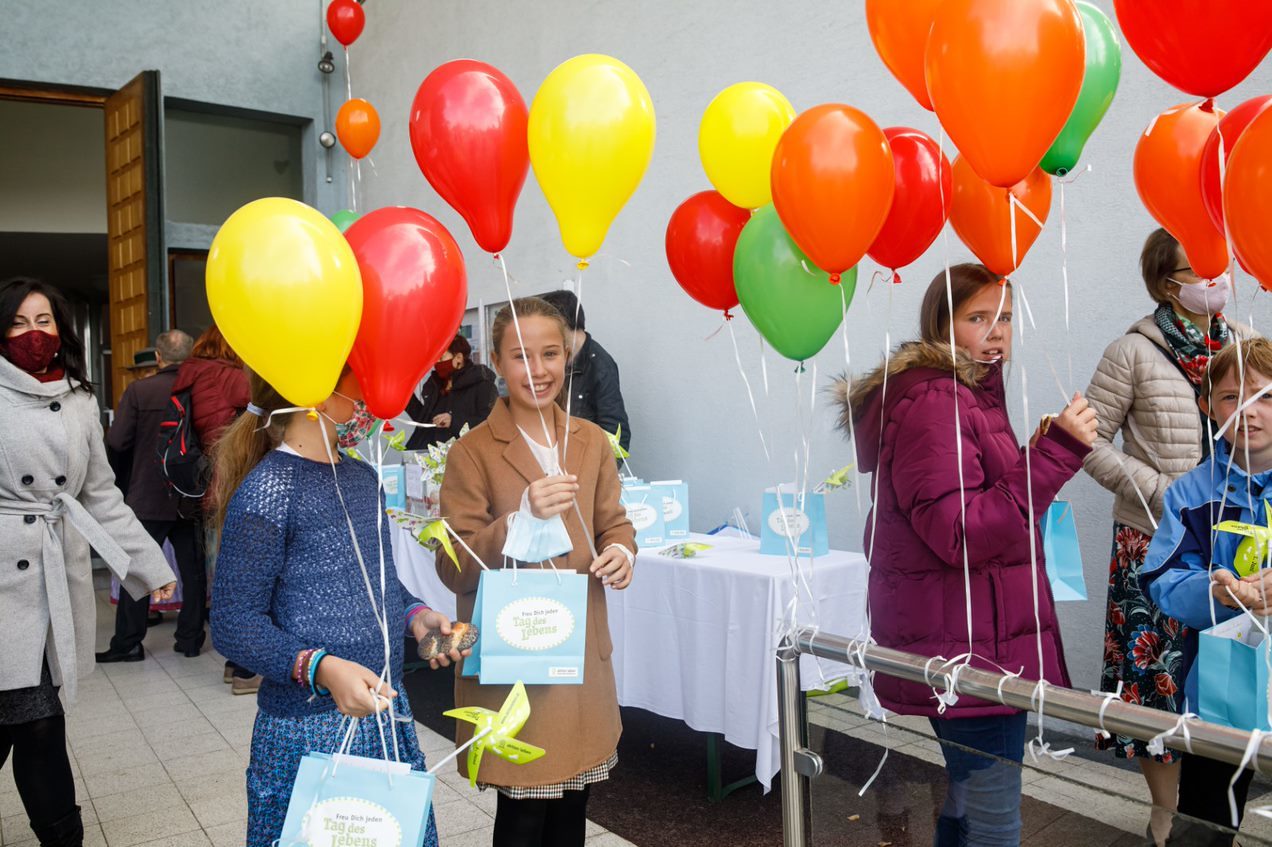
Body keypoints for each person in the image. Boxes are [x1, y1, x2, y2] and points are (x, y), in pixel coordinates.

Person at [834, 264, 1097, 846]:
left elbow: (974, 498)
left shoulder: (967, 393)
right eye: (978, 317)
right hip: (972, 649)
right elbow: (960, 532)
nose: (996, 331)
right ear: (942, 324)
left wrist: (1030, 456)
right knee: (994, 818)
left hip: (973, 636)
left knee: (968, 800)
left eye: (1005, 317)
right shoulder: (938, 399)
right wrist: (1054, 455)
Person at [209, 364, 464, 847]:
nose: (370, 396)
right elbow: (233, 623)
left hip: (384, 712)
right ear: (318, 391)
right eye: (359, 380)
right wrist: (321, 668)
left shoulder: (362, 478)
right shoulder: (268, 491)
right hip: (307, 730)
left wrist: (416, 617)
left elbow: (377, 582)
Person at [439, 296, 636, 847]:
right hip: (517, 661)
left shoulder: (591, 441)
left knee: (573, 810)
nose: (539, 369)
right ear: (497, 363)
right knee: (523, 816)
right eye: (521, 356)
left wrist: (622, 552)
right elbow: (453, 564)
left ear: (567, 356)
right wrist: (518, 521)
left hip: (581, 657)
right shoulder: (472, 453)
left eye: (550, 353)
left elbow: (614, 523)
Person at [1084, 228, 1250, 845]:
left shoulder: (1243, 344)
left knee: (1225, 673)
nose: (1215, 279)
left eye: (1218, 265)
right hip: (1155, 539)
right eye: (1197, 269)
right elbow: (1087, 441)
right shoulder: (1132, 351)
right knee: (1157, 679)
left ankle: (1214, 810)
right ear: (1166, 283)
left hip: (1233, 542)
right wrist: (1165, 491)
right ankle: (1164, 808)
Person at [0, 277, 175, 847]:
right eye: (18, 322)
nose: (32, 334)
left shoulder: (77, 398)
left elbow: (100, 495)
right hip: (3, 584)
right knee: (32, 723)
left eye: (43, 321)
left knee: (40, 723)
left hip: (53, 581)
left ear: (61, 328)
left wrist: (148, 566)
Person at [1141, 338, 1272, 845]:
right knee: (1206, 818)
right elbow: (1163, 578)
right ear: (1207, 406)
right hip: (1220, 688)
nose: (1248, 411)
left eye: (1264, 396)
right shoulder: (1190, 493)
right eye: (1231, 397)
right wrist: (1214, 593)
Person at [97, 329, 205, 663]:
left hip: (148, 493)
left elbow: (117, 441)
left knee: (137, 568)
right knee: (192, 569)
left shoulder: (139, 391)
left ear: (158, 357)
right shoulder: (200, 390)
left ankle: (128, 642)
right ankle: (190, 639)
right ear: (190, 356)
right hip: (189, 493)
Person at [171, 322, 256, 691]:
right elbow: (267, 405)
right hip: (236, 480)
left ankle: (233, 662)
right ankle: (245, 667)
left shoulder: (190, 376)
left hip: (210, 486)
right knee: (249, 577)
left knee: (225, 574)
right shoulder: (228, 377)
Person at [539, 289, 632, 452]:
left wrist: (597, 466)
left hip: (585, 460)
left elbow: (616, 434)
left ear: (561, 321)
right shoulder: (556, 358)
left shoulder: (600, 365)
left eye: (546, 324)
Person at [405, 334, 498, 451]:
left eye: (441, 358)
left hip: (463, 454)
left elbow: (491, 423)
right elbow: (424, 421)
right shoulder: (435, 384)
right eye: (435, 359)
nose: (437, 363)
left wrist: (454, 421)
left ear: (459, 358)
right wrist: (406, 398)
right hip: (427, 453)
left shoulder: (482, 385)